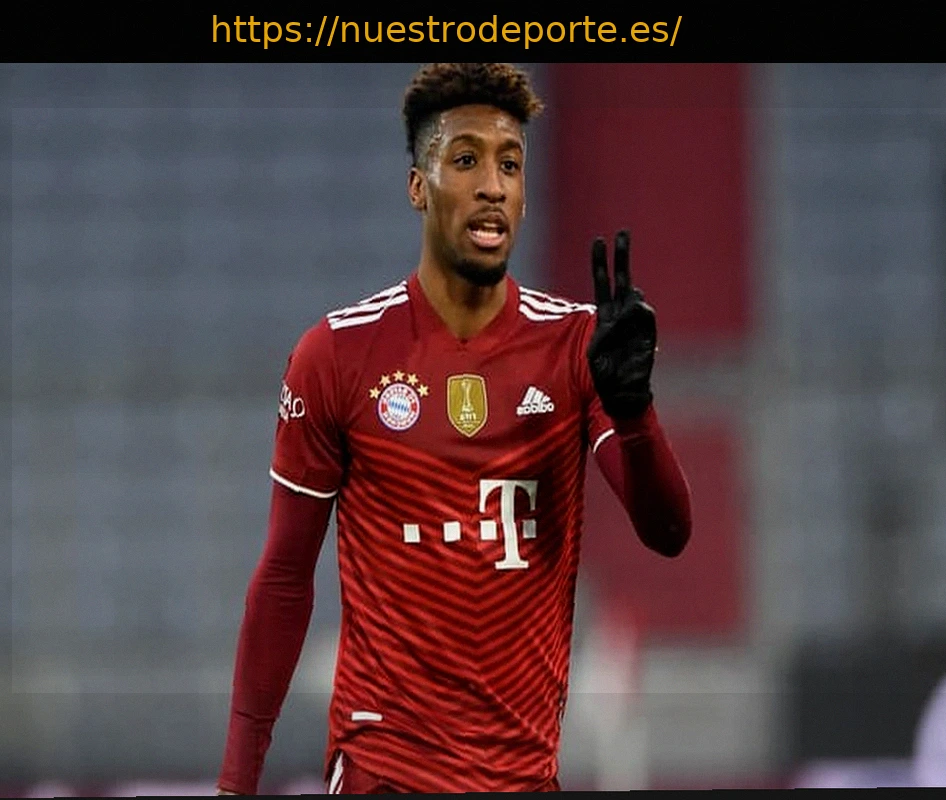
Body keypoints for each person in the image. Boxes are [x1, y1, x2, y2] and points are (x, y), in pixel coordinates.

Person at [217, 62, 692, 795]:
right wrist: (235, 783)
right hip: (383, 771)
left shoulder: (577, 347)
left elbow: (667, 532)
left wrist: (635, 415)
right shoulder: (337, 355)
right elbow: (284, 576)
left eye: (511, 165)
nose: (493, 185)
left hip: (521, 777)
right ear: (419, 187)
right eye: (466, 160)